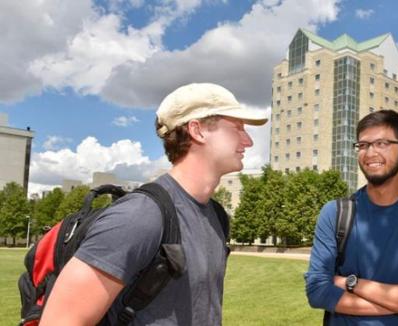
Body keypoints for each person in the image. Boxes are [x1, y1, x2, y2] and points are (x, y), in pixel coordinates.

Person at [41, 83, 267, 325]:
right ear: (197, 130)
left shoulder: (217, 216)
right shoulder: (139, 217)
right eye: (237, 128)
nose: (248, 141)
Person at [305, 110, 398, 325]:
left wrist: (349, 283)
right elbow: (317, 291)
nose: (370, 152)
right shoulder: (335, 213)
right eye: (363, 145)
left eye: (382, 143)